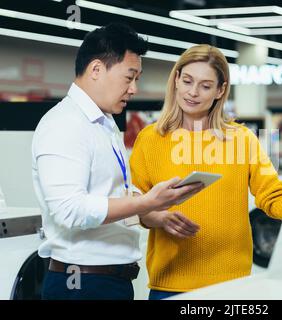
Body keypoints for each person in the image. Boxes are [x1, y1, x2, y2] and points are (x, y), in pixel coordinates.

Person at [130, 44, 282, 300]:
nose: (192, 92)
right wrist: (158, 218)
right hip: (170, 283)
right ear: (176, 80)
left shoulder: (241, 139)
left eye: (205, 86)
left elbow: (272, 193)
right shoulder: (150, 139)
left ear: (220, 90)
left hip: (232, 284)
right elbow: (136, 205)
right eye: (187, 81)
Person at [31, 23, 203, 300]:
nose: (134, 89)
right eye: (129, 77)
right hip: (81, 285)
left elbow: (106, 195)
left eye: (137, 78)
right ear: (96, 70)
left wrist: (150, 215)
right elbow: (69, 209)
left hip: (108, 282)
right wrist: (146, 202)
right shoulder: (64, 124)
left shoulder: (103, 122)